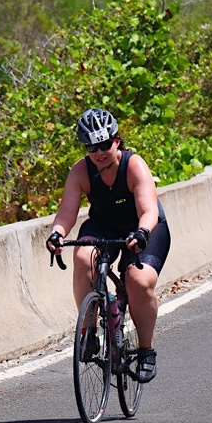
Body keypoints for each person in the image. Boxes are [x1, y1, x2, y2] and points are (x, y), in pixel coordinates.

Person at [46, 108, 171, 383]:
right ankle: (89, 332)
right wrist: (56, 234)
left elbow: (149, 210)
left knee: (137, 279)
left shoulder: (133, 164)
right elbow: (66, 213)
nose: (100, 152)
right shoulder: (80, 171)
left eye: (105, 144)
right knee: (82, 258)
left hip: (144, 225)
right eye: (92, 147)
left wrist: (141, 232)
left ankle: (146, 350)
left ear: (116, 140)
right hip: (103, 224)